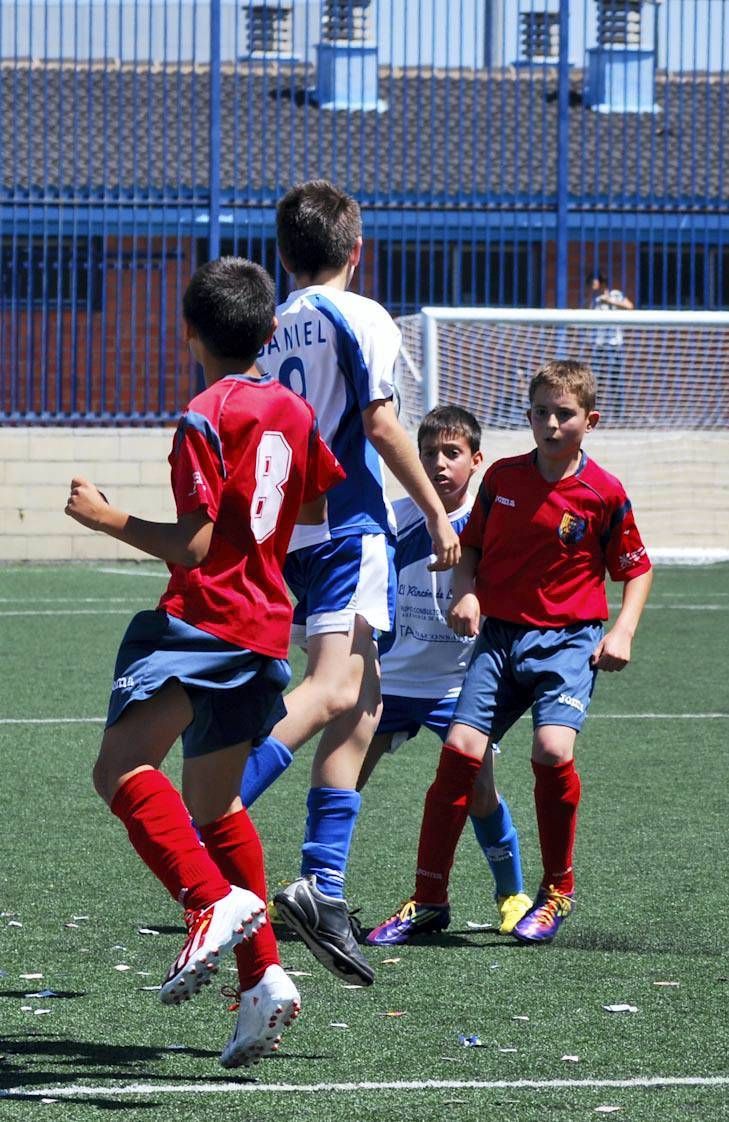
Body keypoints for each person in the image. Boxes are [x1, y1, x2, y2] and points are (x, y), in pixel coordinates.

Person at [64, 257, 345, 1067]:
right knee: (215, 806)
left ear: (187, 333)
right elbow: (314, 503)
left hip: (205, 619)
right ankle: (264, 980)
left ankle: (207, 901)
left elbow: (190, 545)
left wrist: (106, 517)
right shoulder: (291, 409)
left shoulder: (203, 415)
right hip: (262, 627)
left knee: (119, 769)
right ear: (268, 334)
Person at [240, 180, 460, 987]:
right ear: (354, 250)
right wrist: (436, 514)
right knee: (335, 691)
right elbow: (378, 423)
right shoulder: (360, 313)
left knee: (363, 700)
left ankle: (321, 885)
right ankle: (215, 807)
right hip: (345, 527)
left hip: (290, 534)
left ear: (285, 254)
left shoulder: (270, 328)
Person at [389, 360, 653, 946]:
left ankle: (557, 889)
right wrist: (466, 593)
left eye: (565, 414)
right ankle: (428, 898)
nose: (551, 424)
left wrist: (624, 631)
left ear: (590, 421)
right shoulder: (503, 479)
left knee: (552, 749)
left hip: (569, 641)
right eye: (541, 413)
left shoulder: (603, 493)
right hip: (501, 639)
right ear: (527, 416)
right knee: (459, 751)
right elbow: (472, 549)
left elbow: (637, 570)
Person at [357, 406, 533, 945]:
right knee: (344, 774)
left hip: (459, 686)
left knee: (480, 792)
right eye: (429, 452)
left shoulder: (490, 525)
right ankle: (321, 887)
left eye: (452, 453)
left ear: (476, 461)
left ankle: (513, 895)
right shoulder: (397, 517)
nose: (439, 463)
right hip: (392, 680)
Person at [586, 271, 634, 423]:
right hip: (598, 345)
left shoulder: (615, 294)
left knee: (616, 380)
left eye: (594, 281)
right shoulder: (593, 300)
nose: (592, 286)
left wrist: (609, 301)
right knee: (594, 380)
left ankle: (619, 416)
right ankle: (593, 412)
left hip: (614, 345)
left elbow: (629, 306)